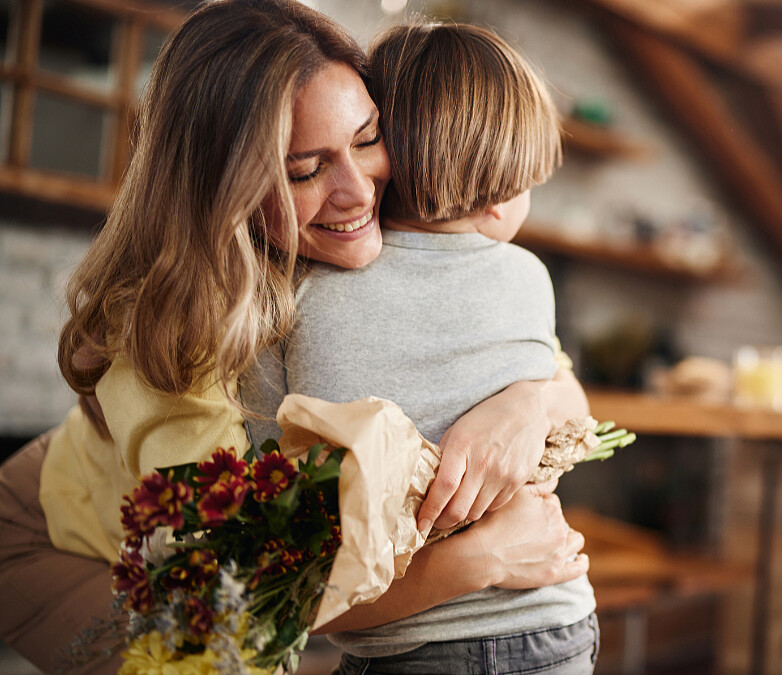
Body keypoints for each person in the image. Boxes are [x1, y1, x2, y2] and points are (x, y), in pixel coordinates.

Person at [0, 2, 589, 673]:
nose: (357, 192)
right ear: (230, 191)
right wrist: (477, 561)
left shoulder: (340, 248)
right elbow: (241, 598)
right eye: (306, 169)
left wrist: (522, 404)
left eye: (368, 138)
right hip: (50, 529)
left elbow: (558, 386)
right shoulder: (182, 340)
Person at [239, 22, 598, 674]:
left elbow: (276, 518)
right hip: (551, 618)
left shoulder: (290, 301)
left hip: (398, 642)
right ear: (494, 199)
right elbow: (577, 417)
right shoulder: (526, 279)